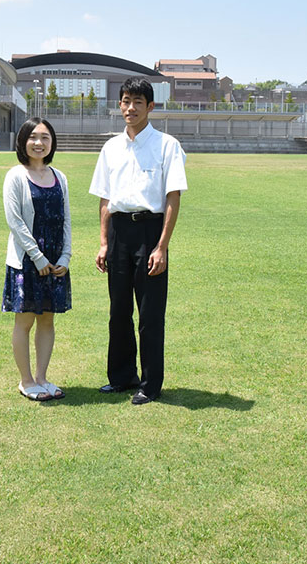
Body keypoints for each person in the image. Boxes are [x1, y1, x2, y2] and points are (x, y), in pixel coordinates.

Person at [89, 77, 187, 404]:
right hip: (118, 233)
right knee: (118, 311)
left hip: (150, 232)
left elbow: (172, 198)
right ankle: (121, 376)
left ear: (150, 107)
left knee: (149, 313)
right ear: (119, 104)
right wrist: (104, 242)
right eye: (126, 101)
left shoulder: (167, 146)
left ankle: (150, 384)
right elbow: (105, 199)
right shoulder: (111, 148)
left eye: (138, 102)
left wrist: (162, 246)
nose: (131, 108)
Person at [2, 117, 72, 401]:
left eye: (45, 137)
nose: (39, 143)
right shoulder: (15, 176)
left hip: (55, 263)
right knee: (25, 322)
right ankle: (26, 381)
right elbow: (15, 221)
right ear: (23, 141)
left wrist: (65, 256)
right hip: (27, 262)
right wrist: (37, 257)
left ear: (52, 142)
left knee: (47, 322)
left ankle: (42, 378)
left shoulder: (60, 177)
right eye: (33, 137)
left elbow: (66, 219)